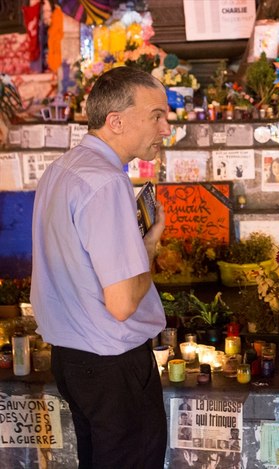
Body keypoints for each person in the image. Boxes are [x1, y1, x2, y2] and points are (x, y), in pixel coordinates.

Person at [30, 66, 171, 468]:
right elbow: (123, 302)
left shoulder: (59, 171)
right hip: (113, 366)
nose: (165, 129)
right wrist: (151, 242)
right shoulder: (106, 182)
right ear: (116, 121)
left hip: (72, 360)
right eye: (156, 115)